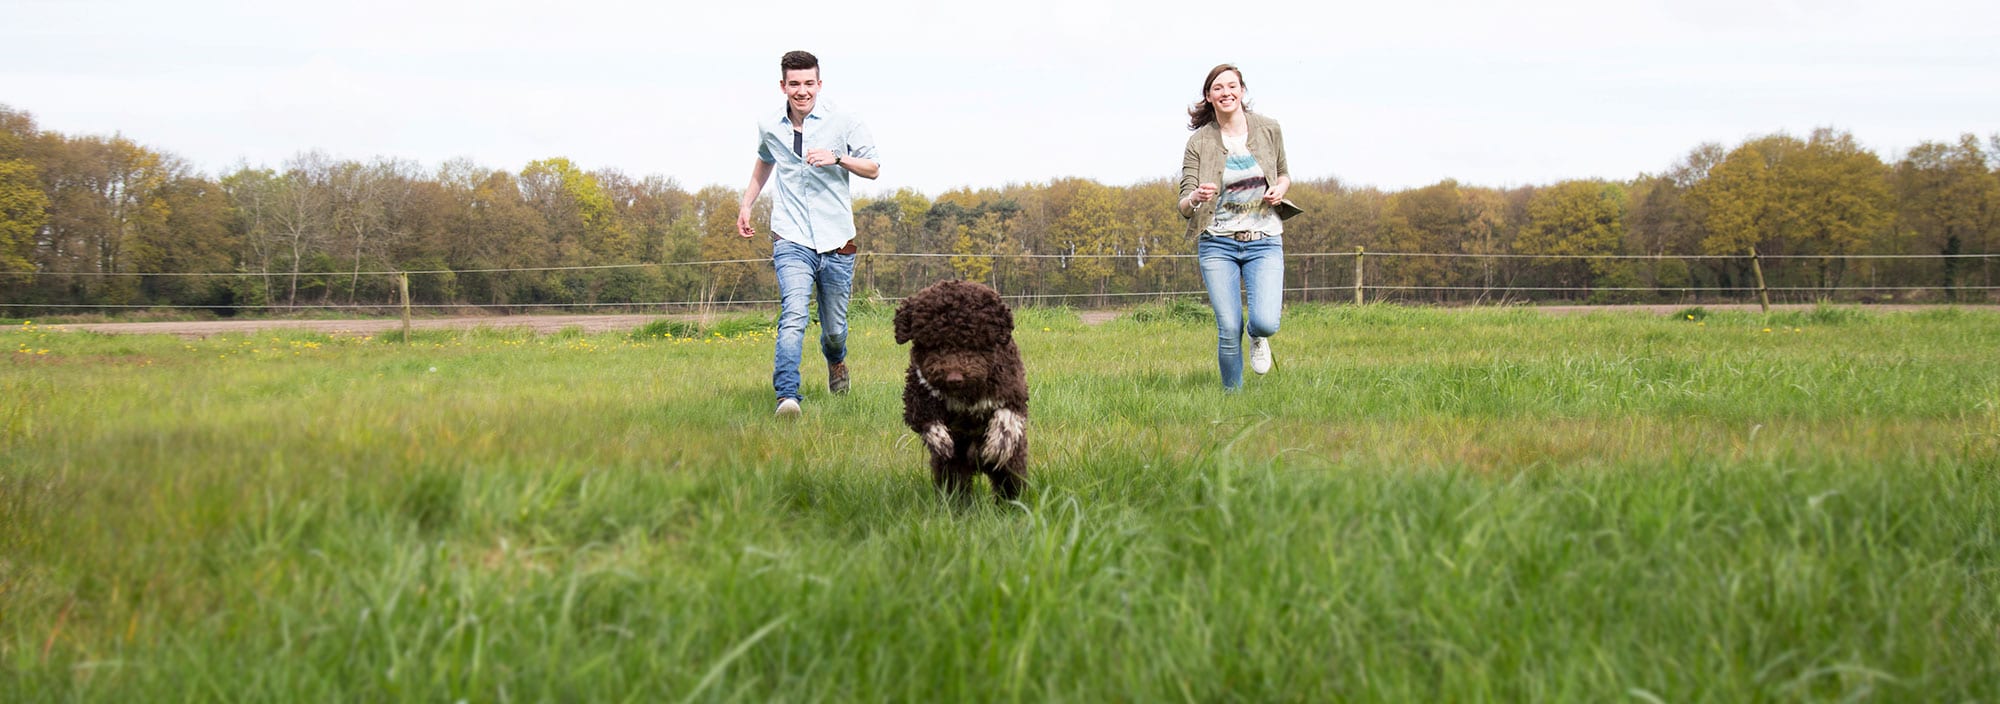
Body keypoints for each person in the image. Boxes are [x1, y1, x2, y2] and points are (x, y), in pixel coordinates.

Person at [738, 50, 880, 417]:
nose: (802, 91)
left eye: (809, 83)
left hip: (837, 240)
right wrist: (746, 205)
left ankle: (836, 361)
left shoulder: (843, 120)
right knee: (794, 314)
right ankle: (787, 398)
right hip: (791, 236)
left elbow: (874, 167)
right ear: (783, 86)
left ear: (819, 83)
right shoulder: (769, 124)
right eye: (795, 84)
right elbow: (764, 160)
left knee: (834, 329)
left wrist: (838, 158)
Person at [1177, 63, 1299, 392]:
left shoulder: (1269, 128)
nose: (1226, 92)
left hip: (1264, 240)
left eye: (1232, 86)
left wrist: (1281, 189)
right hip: (1218, 244)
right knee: (1228, 327)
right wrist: (1196, 197)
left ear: (1242, 91)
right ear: (1209, 96)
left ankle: (1257, 337)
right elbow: (1183, 204)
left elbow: (1285, 173)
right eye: (1218, 88)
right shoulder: (1199, 142)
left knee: (1264, 322)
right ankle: (1233, 400)